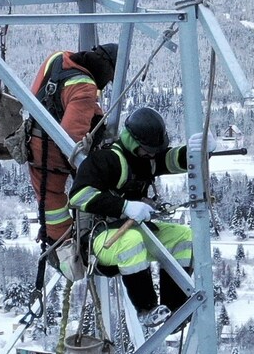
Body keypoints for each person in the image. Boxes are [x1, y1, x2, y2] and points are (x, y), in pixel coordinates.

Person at [69, 104, 208, 325]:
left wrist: (197, 152)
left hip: (133, 229)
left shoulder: (147, 160)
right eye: (148, 150)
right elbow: (78, 196)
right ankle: (146, 309)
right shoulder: (106, 160)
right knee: (130, 242)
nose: (152, 154)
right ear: (134, 143)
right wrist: (124, 207)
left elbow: (171, 160)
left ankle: (173, 306)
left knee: (183, 237)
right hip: (101, 239)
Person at [27, 43, 117, 249]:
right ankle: (66, 247)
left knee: (47, 200)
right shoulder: (85, 86)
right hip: (52, 150)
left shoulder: (59, 58)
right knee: (59, 201)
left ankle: (56, 240)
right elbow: (71, 140)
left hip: (34, 139)